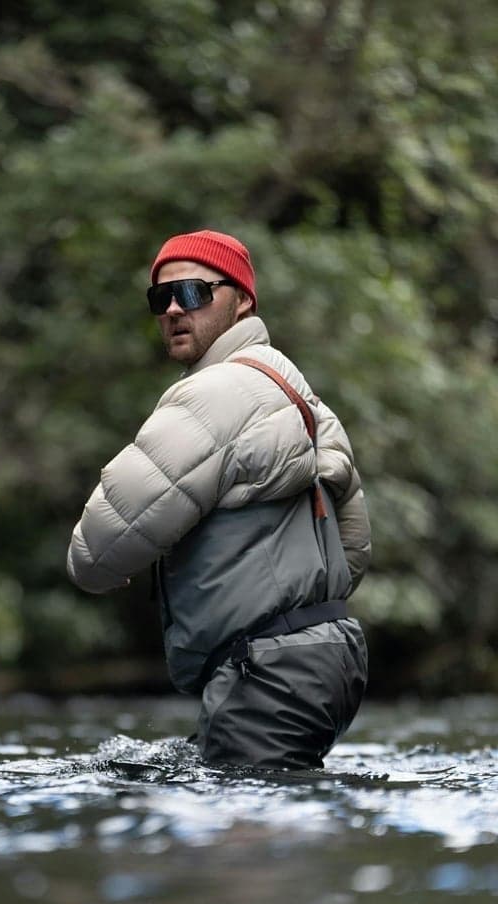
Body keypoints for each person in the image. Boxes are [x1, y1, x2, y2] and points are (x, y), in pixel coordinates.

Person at [67, 229, 370, 768]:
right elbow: (353, 549)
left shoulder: (216, 394)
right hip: (330, 658)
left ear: (242, 301)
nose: (173, 310)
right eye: (160, 298)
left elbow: (95, 550)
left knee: (237, 844)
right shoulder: (299, 392)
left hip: (268, 671)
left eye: (193, 293)